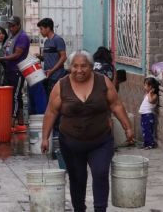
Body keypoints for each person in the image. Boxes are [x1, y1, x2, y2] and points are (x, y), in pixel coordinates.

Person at [41, 50, 134, 212]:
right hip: (71, 143)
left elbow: (116, 105)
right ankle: (79, 209)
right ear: (69, 67)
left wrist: (127, 127)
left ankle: (100, 209)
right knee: (77, 179)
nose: (79, 70)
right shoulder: (61, 86)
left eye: (83, 66)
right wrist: (45, 137)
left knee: (100, 172)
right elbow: (51, 112)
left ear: (91, 67)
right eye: (75, 66)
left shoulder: (103, 82)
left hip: (100, 140)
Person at [0, 16, 30, 132]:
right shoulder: (12, 36)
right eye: (9, 25)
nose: (10, 28)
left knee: (15, 96)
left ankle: (11, 124)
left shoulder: (22, 37)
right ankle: (20, 123)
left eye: (13, 25)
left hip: (17, 70)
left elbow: (17, 54)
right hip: (9, 70)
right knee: (17, 96)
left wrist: (2, 59)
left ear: (19, 25)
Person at [36, 18, 67, 96]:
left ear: (48, 28)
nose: (40, 31)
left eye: (41, 29)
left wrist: (52, 70)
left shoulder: (58, 40)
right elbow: (47, 58)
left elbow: (63, 57)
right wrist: (40, 57)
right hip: (48, 75)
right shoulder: (46, 42)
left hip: (57, 76)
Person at [139, 77, 159, 149]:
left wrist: (150, 93)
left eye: (145, 85)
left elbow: (151, 101)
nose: (144, 87)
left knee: (148, 130)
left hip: (148, 115)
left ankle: (150, 144)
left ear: (150, 87)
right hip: (144, 115)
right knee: (145, 130)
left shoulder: (154, 95)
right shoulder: (147, 94)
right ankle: (146, 143)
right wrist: (148, 93)